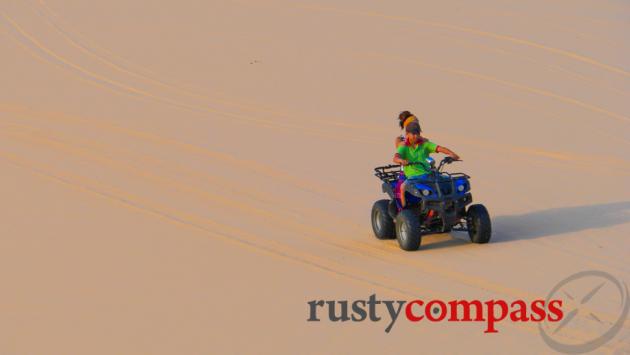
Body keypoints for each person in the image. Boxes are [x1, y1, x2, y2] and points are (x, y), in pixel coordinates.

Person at [392, 122, 460, 207]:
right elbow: (396, 157)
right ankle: (404, 212)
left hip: (428, 174)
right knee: (402, 187)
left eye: (417, 133)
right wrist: (401, 160)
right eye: (413, 134)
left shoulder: (425, 144)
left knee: (448, 181)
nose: (416, 136)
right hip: (413, 177)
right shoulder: (404, 147)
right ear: (407, 134)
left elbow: (439, 148)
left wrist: (451, 154)